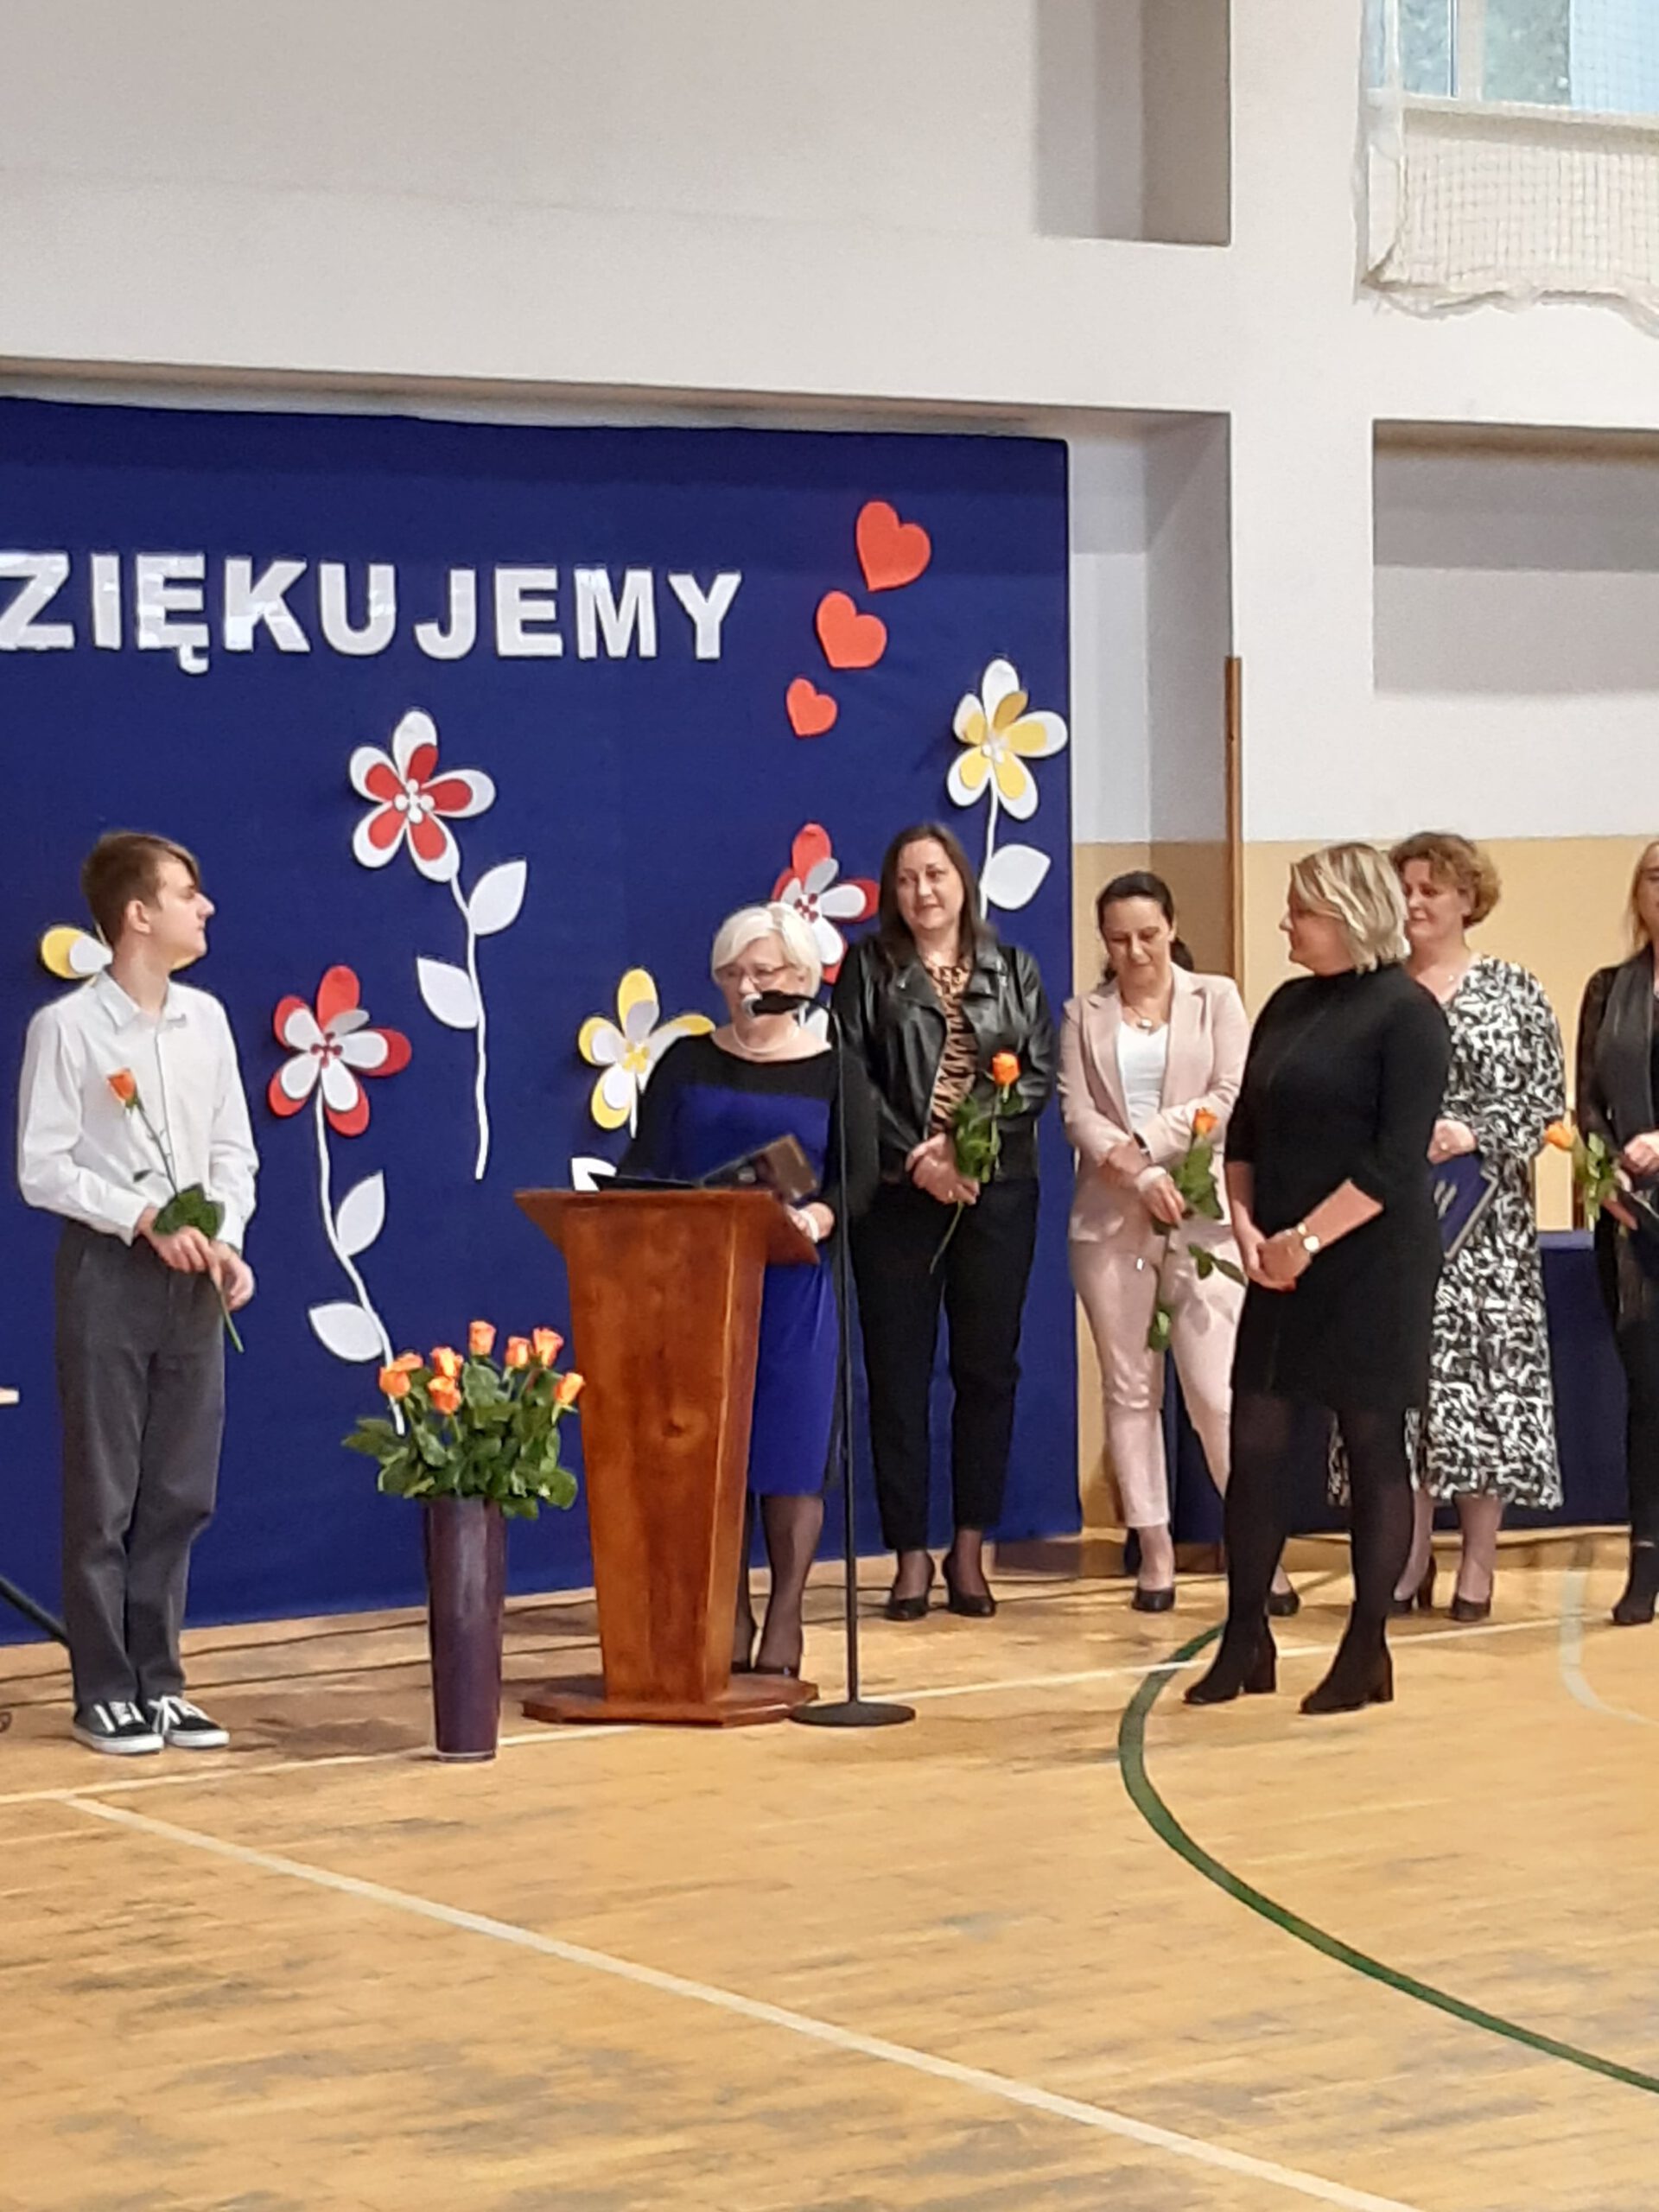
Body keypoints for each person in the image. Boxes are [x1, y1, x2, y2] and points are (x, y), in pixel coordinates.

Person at [1185, 843, 1449, 1715]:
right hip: (1279, 1261)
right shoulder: (1288, 1004)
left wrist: (1305, 1239)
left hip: (1370, 1261)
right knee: (1257, 1441)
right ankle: (1245, 1637)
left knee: (1373, 1444)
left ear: (1349, 915)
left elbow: (1395, 1161)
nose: (1285, 923)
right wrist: (1250, 1228)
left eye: (1301, 909)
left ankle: (1367, 1645)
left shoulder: (1407, 1015)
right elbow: (1245, 1133)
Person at [17, 833, 258, 1756]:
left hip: (192, 1278)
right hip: (109, 1271)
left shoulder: (208, 1022)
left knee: (181, 1486)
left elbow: (233, 1150)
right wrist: (142, 1215)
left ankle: (162, 1681)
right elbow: (42, 1166)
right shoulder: (68, 1029)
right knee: (105, 1487)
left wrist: (225, 1238)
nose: (205, 907)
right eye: (187, 893)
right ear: (138, 915)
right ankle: (104, 1686)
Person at [621, 901, 877, 1675]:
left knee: (790, 1449)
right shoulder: (686, 1062)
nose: (745, 987)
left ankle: (787, 1618)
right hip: (697, 1284)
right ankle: (726, 1612)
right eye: (731, 973)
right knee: (712, 1450)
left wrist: (820, 1218)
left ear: (800, 978)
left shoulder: (836, 1067)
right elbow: (642, 1165)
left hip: (793, 1284)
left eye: (762, 972)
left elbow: (859, 1177)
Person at [832, 823, 1055, 1620]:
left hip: (997, 1191)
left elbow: (1036, 1074)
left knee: (987, 1372)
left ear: (963, 879)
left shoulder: (1013, 968)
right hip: (897, 1197)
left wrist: (966, 1147)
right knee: (897, 1378)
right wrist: (918, 1159)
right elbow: (849, 1078)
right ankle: (909, 1556)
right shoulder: (869, 969)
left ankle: (969, 1547)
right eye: (905, 879)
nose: (922, 892)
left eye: (935, 875)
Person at [1062, 872, 1295, 1612]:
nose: (1135, 952)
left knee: (1217, 1393)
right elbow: (1076, 1113)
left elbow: (1230, 1095)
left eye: (1148, 935)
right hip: (1111, 1221)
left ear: (1171, 927)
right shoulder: (1082, 1014)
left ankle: (1259, 1553)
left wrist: (1148, 1145)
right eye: (1119, 939)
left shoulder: (1216, 998)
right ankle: (1155, 1550)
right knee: (1130, 1390)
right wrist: (1138, 1175)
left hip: (1205, 1215)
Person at [1383, 833, 1565, 1622]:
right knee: (1406, 1391)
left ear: (1467, 898)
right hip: (1397, 1219)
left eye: (1431, 889)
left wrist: (1476, 1132)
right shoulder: (1380, 988)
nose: (1416, 903)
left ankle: (1479, 1562)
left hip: (1486, 1230)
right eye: (1406, 889)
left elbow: (1544, 1100)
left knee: (1484, 1390)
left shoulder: (1514, 990)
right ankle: (1408, 1553)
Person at [1576, 837, 1659, 1627]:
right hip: (1635, 1221)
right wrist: (1604, 1171)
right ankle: (1645, 1565)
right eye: (1656, 876)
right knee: (1649, 1394)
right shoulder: (1609, 990)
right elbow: (1588, 1103)